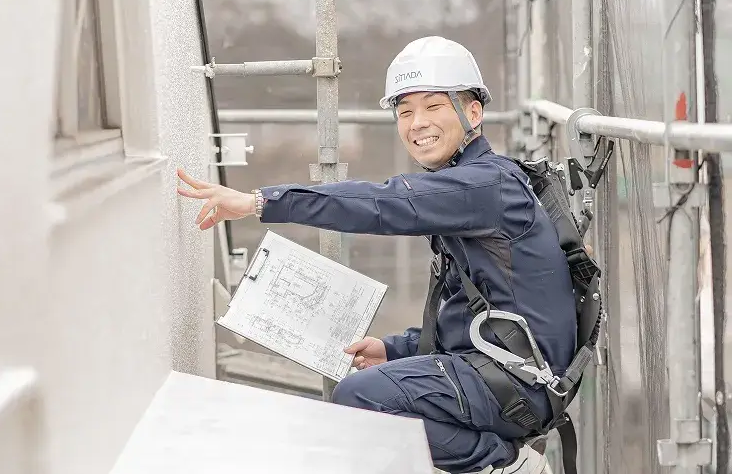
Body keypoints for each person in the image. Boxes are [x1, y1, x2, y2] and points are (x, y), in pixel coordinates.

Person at [176, 36, 576, 474]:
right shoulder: (470, 186)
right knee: (367, 400)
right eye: (405, 112)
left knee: (360, 399)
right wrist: (394, 347)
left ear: (473, 112)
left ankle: (505, 466)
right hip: (509, 373)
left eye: (433, 107)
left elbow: (380, 203)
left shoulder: (482, 186)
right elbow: (470, 310)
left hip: (518, 384)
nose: (417, 123)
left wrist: (261, 202)